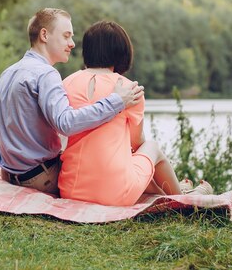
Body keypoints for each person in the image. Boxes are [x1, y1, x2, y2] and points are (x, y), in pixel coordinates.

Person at [58, 21, 212, 206]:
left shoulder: (67, 83)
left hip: (71, 190)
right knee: (151, 148)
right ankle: (182, 199)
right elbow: (137, 143)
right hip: (114, 194)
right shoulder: (129, 89)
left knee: (126, 161)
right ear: (122, 51)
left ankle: (170, 191)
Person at [0, 8, 144, 196]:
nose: (72, 44)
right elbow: (66, 124)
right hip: (38, 179)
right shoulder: (46, 74)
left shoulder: (9, 72)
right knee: (113, 172)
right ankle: (171, 187)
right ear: (44, 35)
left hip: (9, 174)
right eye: (66, 36)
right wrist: (116, 101)